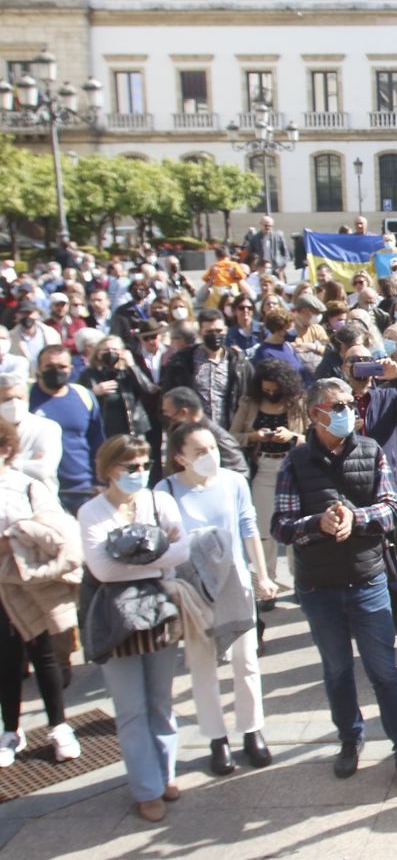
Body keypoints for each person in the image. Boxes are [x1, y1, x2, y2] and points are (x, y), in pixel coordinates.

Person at [270, 377, 397, 794]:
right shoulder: (295, 462)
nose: (349, 411)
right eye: (338, 405)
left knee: (386, 673)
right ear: (316, 415)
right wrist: (317, 523)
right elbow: (282, 526)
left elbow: (393, 508)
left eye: (350, 403)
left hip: (367, 580)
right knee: (338, 670)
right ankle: (349, 738)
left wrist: (354, 518)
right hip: (318, 587)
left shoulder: (371, 451)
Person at [77, 436, 190, 822]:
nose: (140, 473)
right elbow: (103, 570)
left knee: (160, 700)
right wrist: (156, 558)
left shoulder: (160, 501)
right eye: (131, 467)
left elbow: (182, 551)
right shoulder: (91, 511)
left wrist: (134, 556)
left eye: (144, 465)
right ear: (110, 469)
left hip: (158, 609)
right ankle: (146, 789)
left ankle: (166, 772)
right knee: (130, 708)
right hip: (114, 616)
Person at [160, 423, 274, 775]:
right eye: (199, 451)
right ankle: (216, 737)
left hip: (234, 581)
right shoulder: (164, 491)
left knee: (246, 661)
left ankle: (252, 729)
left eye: (212, 448)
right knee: (202, 664)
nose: (209, 456)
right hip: (192, 586)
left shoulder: (233, 482)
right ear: (180, 457)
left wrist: (264, 575)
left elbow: (248, 527)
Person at [0, 418, 79, 768]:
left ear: (6, 449)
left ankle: (59, 726)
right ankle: (10, 730)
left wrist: (14, 538)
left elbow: (52, 528)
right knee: (5, 658)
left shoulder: (26, 485)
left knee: (44, 653)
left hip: (28, 583)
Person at [229, 358, 306, 592]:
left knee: (296, 527)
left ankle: (300, 581)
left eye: (275, 389)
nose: (271, 393)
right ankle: (267, 581)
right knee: (263, 530)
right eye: (266, 389)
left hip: (292, 469)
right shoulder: (249, 402)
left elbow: (312, 435)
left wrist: (291, 436)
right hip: (262, 468)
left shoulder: (297, 402)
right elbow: (231, 436)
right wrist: (255, 436)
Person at [30, 345, 103, 514]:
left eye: (62, 367)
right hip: (38, 487)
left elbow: (97, 441)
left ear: (71, 368)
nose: (56, 371)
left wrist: (101, 481)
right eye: (49, 366)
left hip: (82, 489)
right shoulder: (25, 398)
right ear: (39, 369)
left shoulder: (84, 396)